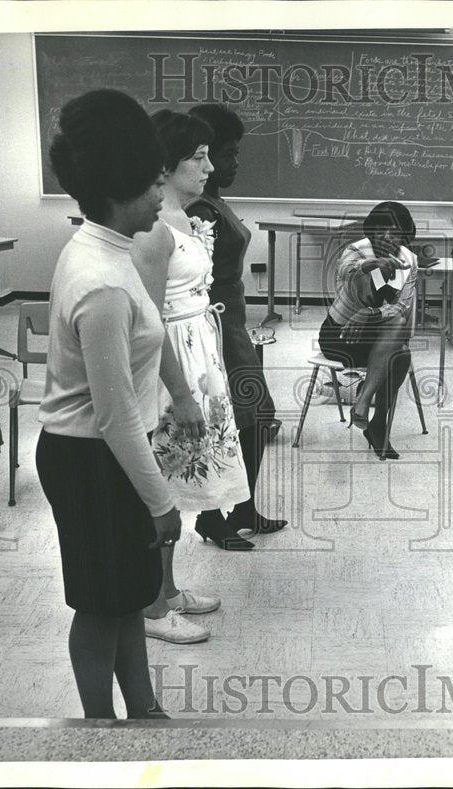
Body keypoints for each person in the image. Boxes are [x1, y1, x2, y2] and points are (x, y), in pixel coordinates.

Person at [37, 89, 177, 719]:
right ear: (123, 187)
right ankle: (97, 733)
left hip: (103, 455)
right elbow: (116, 416)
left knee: (123, 598)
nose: (161, 195)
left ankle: (143, 712)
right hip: (91, 460)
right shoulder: (103, 283)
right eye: (153, 183)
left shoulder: (103, 252)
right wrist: (162, 502)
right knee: (100, 605)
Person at [131, 110, 252, 643]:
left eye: (208, 155)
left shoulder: (185, 215)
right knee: (157, 484)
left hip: (199, 351)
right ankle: (151, 607)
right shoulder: (155, 230)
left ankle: (170, 589)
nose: (208, 167)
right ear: (166, 163)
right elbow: (148, 320)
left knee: (178, 483)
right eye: (197, 158)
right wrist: (180, 392)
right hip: (172, 364)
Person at [185, 103, 287, 539]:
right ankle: (212, 516)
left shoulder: (213, 201)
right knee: (236, 418)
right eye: (225, 154)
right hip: (217, 326)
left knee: (257, 416)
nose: (230, 163)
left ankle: (243, 509)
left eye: (231, 154)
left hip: (233, 321)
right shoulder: (199, 210)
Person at [318, 201, 418, 459]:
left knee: (400, 349)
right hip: (340, 334)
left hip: (378, 337)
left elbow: (402, 307)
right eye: (380, 230)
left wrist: (368, 314)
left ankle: (371, 415)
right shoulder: (356, 250)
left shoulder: (410, 261)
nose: (386, 237)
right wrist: (372, 265)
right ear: (371, 231)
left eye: (394, 232)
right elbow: (346, 270)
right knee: (398, 354)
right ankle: (375, 425)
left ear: (404, 235)